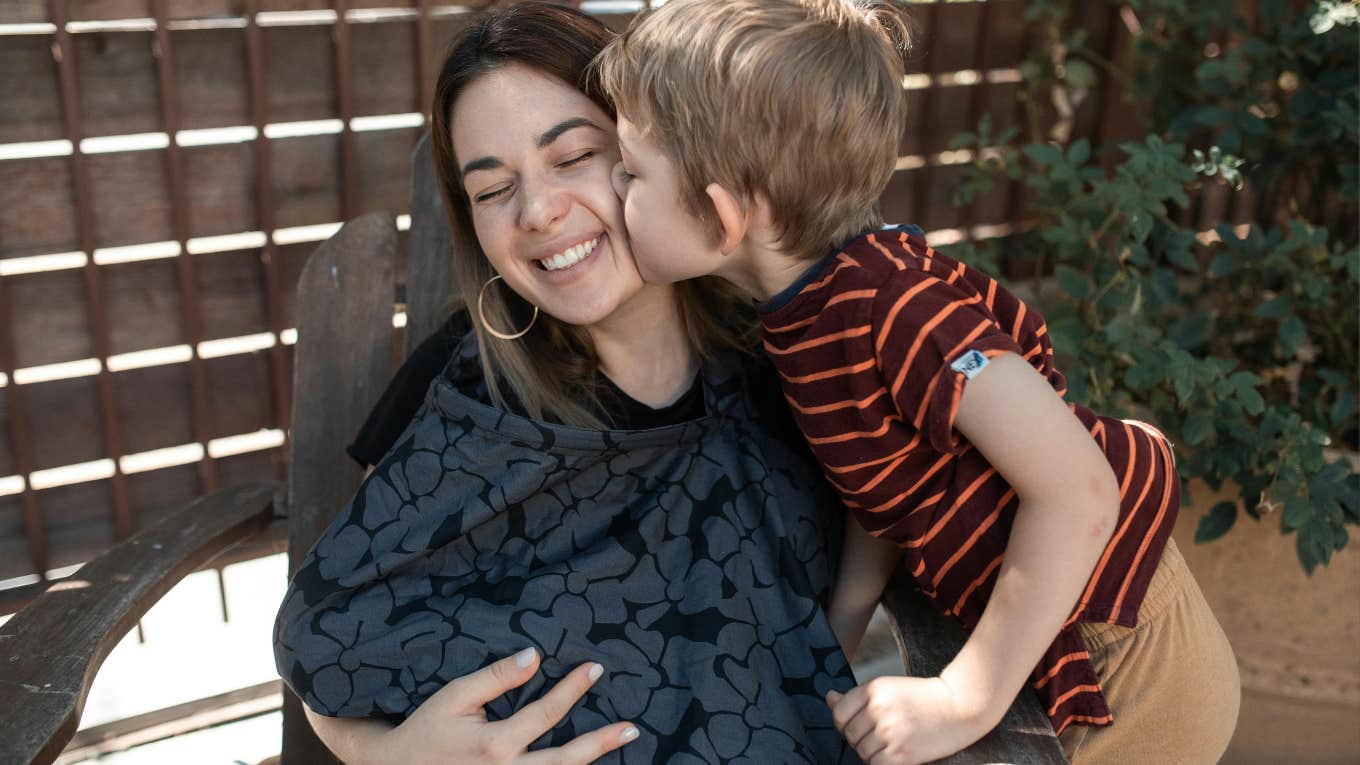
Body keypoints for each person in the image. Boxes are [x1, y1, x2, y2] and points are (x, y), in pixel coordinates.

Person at [596, 1, 1241, 763]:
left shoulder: (895, 306)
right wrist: (841, 624)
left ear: (724, 213)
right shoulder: (811, 310)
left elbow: (1078, 488)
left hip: (1125, 653)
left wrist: (962, 696)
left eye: (630, 170)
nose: (609, 184)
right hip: (1055, 629)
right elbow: (888, 472)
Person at [272, 4, 862, 763]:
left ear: (657, 151)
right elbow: (340, 626)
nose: (540, 212)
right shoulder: (467, 396)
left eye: (574, 155)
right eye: (492, 190)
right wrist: (383, 755)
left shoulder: (785, 349)